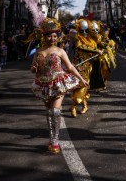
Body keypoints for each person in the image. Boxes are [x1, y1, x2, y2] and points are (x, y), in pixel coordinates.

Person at [31, 18, 89, 154]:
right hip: (43, 83)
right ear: (44, 37)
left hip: (58, 83)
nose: (52, 38)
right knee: (48, 112)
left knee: (55, 111)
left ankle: (55, 141)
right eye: (49, 36)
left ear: (57, 37)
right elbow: (33, 68)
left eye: (54, 36)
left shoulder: (60, 51)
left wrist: (81, 78)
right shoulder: (38, 52)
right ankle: (51, 139)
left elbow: (70, 67)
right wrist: (34, 68)